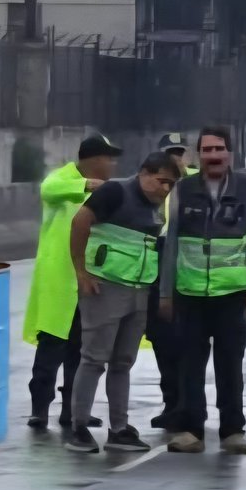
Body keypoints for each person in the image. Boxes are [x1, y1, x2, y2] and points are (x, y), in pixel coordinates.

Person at [159, 125, 246, 455]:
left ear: (229, 154)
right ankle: (192, 430)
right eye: (207, 150)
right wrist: (166, 292)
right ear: (199, 155)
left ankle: (232, 431)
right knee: (190, 365)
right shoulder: (182, 190)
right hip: (189, 294)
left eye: (219, 149)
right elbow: (171, 243)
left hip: (232, 296)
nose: (213, 156)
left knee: (230, 365)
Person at [65, 151, 178, 453]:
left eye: (171, 185)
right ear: (144, 173)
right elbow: (80, 223)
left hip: (139, 290)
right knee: (93, 359)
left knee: (122, 362)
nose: (165, 189)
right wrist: (81, 271)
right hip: (105, 288)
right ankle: (78, 427)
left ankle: (119, 429)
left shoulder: (157, 208)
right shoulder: (114, 191)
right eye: (161, 181)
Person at [23, 134, 122, 430]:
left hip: (89, 281)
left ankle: (73, 410)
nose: (112, 165)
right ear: (93, 159)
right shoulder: (62, 179)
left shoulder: (109, 191)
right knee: (50, 349)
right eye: (109, 158)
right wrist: (86, 186)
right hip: (58, 282)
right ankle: (39, 409)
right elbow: (48, 190)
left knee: (82, 352)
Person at [145, 138, 197, 433]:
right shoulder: (153, 185)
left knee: (186, 346)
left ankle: (187, 406)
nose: (175, 159)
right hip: (156, 271)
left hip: (186, 275)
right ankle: (171, 404)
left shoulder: (196, 184)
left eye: (179, 154)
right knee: (163, 343)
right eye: (170, 154)